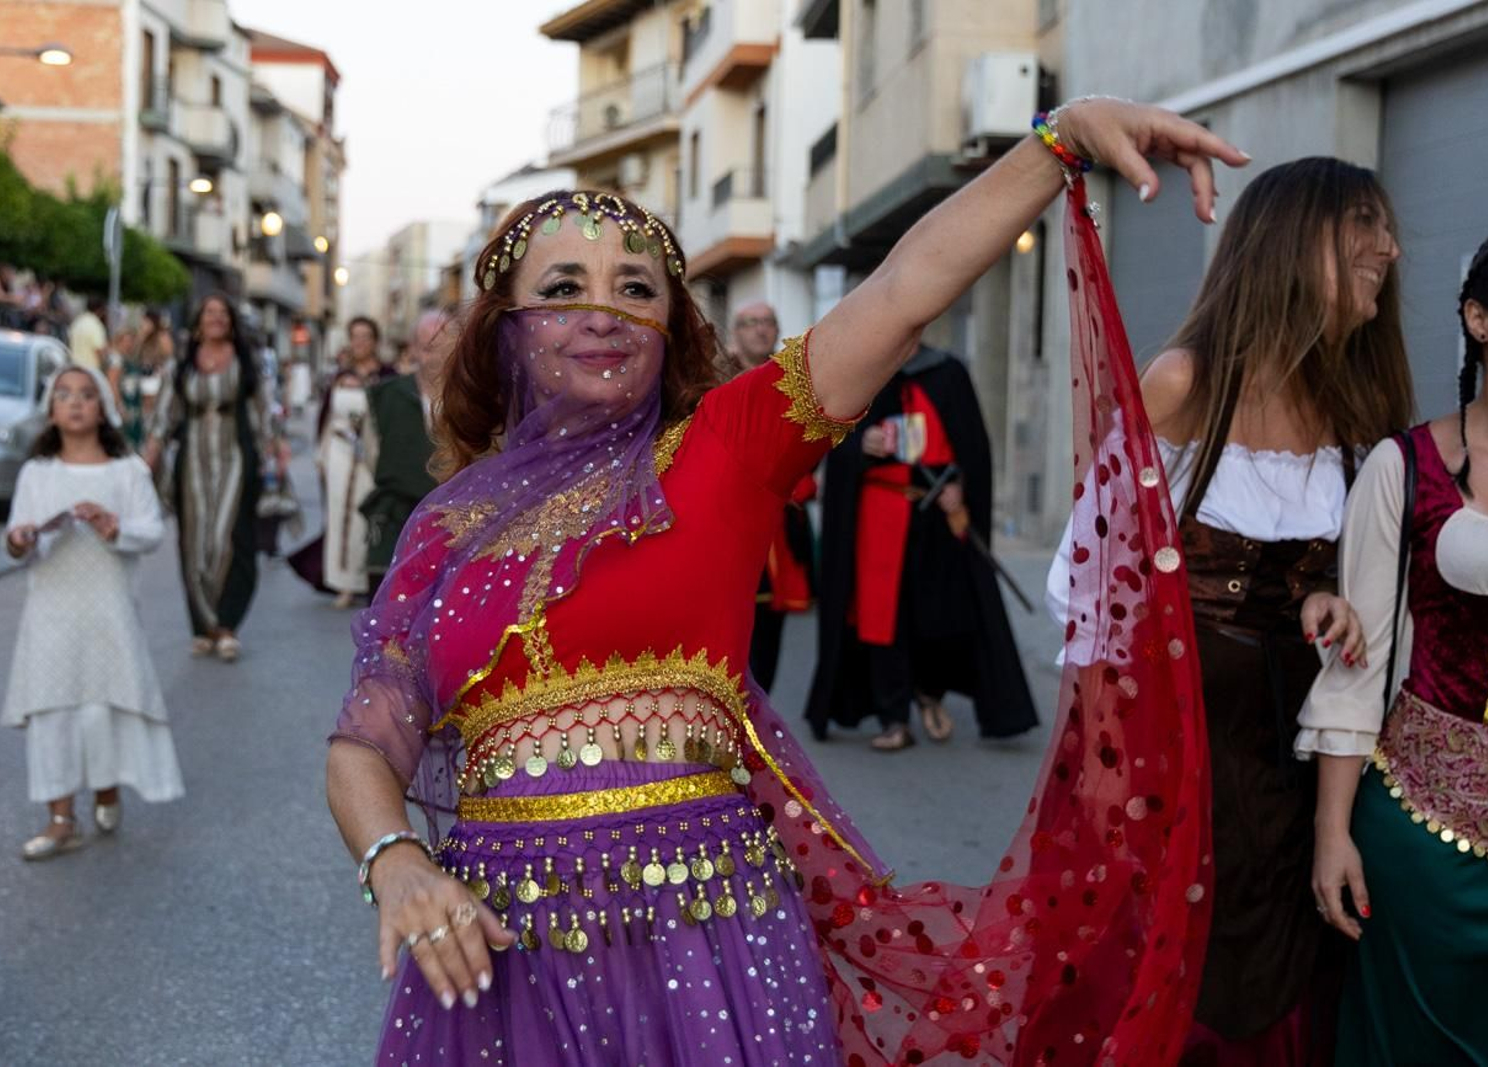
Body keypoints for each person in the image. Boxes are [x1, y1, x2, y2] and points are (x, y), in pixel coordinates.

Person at [326, 98, 1249, 1066]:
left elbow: (902, 290)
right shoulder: (447, 524)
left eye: (637, 288)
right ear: (506, 327)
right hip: (497, 958)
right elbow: (365, 739)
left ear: (669, 325)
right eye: (565, 285)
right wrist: (396, 862)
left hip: (711, 946)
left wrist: (1054, 141)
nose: (604, 309)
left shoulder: (725, 444)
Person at [1046, 157, 1414, 1063]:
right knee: (1183, 975)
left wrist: (1327, 592)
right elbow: (1091, 584)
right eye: (1363, 224)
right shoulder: (1185, 383)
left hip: (1306, 751)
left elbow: (1360, 578)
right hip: (1183, 748)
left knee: (1293, 969)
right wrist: (1103, 772)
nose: (1390, 248)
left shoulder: (1359, 406)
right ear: (1293, 241)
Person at [1300, 226, 1488, 1065]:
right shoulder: (1405, 467)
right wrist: (1333, 832)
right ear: (1479, 318)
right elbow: (1353, 671)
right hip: (1432, 835)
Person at [808, 341, 1038, 749]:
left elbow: (973, 451)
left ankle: (929, 690)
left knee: (940, 612)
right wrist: (859, 445)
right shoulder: (862, 373)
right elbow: (831, 447)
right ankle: (893, 718)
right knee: (884, 620)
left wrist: (960, 488)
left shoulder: (948, 373)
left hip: (935, 517)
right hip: (879, 515)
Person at [1, 366, 183, 860]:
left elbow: (151, 531)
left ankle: (107, 790)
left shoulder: (127, 472)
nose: (75, 403)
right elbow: (16, 538)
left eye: (85, 395)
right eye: (64, 395)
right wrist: (21, 539)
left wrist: (110, 524)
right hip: (50, 613)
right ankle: (60, 819)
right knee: (53, 710)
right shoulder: (37, 474)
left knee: (103, 708)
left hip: (108, 612)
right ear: (51, 409)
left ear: (101, 407)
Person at [143, 293, 287, 663]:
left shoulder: (246, 363)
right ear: (198, 322)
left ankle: (227, 625)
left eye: (223, 313)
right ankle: (202, 625)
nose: (216, 319)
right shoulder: (182, 365)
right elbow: (163, 417)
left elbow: (263, 411)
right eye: (209, 312)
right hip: (192, 462)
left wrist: (275, 447)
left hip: (237, 459)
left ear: (231, 322)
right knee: (193, 542)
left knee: (232, 538)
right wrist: (150, 457)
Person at [725, 301, 816, 692]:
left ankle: (760, 720)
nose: (761, 330)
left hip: (782, 522)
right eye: (752, 323)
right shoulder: (713, 380)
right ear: (736, 332)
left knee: (768, 634)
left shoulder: (792, 380)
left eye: (768, 323)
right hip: (731, 525)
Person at [361, 309, 455, 586]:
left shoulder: (475, 398)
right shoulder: (387, 396)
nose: (436, 356)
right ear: (413, 349)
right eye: (428, 348)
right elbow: (372, 454)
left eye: (442, 347)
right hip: (397, 515)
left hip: (454, 519)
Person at [319, 369, 374, 609]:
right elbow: (328, 419)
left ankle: (363, 579)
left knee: (362, 518)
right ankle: (343, 583)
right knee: (338, 517)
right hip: (339, 452)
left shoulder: (379, 376)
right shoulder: (339, 377)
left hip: (365, 455)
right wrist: (321, 455)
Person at [69, 295, 111, 376]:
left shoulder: (77, 321)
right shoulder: (95, 324)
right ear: (101, 309)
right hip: (91, 372)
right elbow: (99, 349)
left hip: (74, 368)